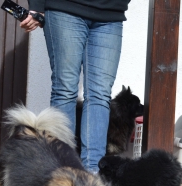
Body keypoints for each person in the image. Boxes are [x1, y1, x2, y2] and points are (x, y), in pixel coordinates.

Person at [21, 0, 131, 173]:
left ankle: (93, 172)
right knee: (65, 90)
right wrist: (37, 5)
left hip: (110, 15)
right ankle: (63, 169)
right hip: (65, 9)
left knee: (100, 94)